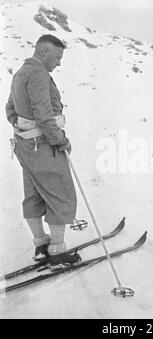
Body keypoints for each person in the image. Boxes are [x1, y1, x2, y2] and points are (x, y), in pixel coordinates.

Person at [5, 34, 80, 269]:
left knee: (34, 193)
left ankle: (41, 246)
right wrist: (60, 140)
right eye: (57, 57)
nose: (58, 63)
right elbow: (43, 114)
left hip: (26, 146)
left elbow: (10, 109)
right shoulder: (38, 73)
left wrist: (21, 125)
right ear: (44, 52)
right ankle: (57, 252)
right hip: (43, 144)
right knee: (61, 193)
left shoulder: (21, 72)